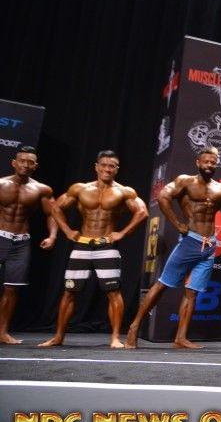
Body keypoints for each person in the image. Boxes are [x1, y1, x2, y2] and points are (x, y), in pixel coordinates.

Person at [125, 147, 221, 349]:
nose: (209, 165)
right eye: (206, 161)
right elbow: (163, 197)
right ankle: (134, 327)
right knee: (162, 284)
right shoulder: (185, 181)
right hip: (190, 241)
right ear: (198, 163)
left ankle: (180, 338)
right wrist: (178, 223)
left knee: (192, 292)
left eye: (213, 162)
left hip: (210, 245)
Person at [39, 150, 147, 348]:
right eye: (104, 165)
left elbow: (142, 212)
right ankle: (58, 337)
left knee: (113, 292)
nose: (107, 169)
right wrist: (66, 230)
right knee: (70, 291)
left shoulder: (124, 191)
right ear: (96, 167)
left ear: (117, 169)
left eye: (112, 166)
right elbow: (55, 207)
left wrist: (123, 233)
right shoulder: (80, 189)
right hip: (82, 244)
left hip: (107, 246)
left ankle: (115, 338)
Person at [0, 146, 57, 344]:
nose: (25, 165)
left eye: (30, 162)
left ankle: (2, 332)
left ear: (35, 166)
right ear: (14, 163)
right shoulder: (1, 184)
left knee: (12, 289)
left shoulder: (41, 189)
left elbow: (52, 214)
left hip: (21, 242)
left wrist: (52, 236)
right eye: (22, 161)